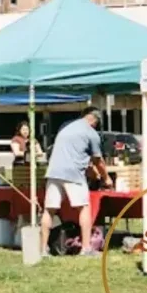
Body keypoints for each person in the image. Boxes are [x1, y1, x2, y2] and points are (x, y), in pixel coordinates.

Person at [40, 106, 106, 258]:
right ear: (95, 121)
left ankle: (43, 249)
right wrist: (106, 178)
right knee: (84, 208)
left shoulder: (66, 128)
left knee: (49, 210)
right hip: (73, 175)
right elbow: (98, 161)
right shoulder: (91, 133)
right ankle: (86, 248)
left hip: (53, 172)